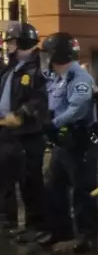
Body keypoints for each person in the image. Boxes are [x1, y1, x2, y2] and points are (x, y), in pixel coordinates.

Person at [38, 32, 98, 253]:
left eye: (47, 53)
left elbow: (78, 109)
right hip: (62, 143)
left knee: (83, 191)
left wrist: (53, 123)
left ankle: (87, 236)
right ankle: (60, 231)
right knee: (54, 187)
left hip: (80, 141)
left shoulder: (79, 78)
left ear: (57, 54)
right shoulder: (55, 77)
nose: (44, 57)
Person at [0, 21, 48, 243]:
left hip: (28, 133)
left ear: (21, 42)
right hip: (6, 132)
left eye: (10, 41)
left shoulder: (39, 68)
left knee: (30, 181)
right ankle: (9, 220)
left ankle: (37, 224)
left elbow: (42, 98)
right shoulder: (11, 67)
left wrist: (21, 114)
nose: (7, 45)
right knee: (7, 177)